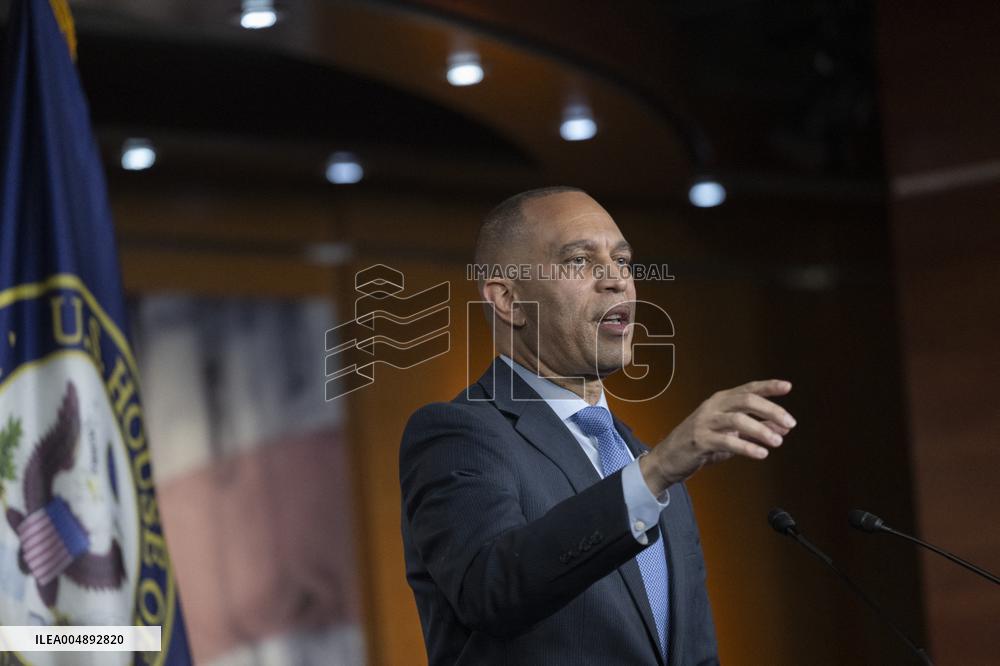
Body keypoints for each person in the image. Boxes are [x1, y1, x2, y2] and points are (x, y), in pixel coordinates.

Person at [399, 187, 797, 665]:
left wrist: (655, 472)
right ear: (509, 301)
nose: (617, 281)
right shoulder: (457, 435)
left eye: (623, 260)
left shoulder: (642, 463)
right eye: (579, 261)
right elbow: (494, 589)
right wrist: (656, 472)